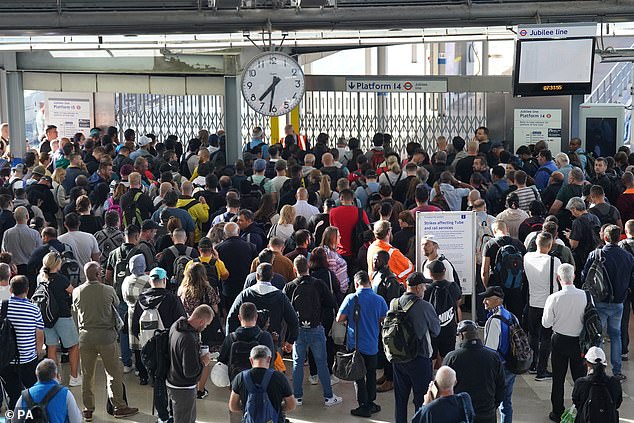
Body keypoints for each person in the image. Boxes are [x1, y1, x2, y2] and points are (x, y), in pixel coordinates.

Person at [72, 262, 138, 421]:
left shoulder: (77, 291)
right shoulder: (108, 290)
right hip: (106, 337)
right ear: (98, 274)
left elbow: (75, 312)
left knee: (88, 375)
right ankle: (119, 406)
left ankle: (88, 409)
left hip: (85, 337)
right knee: (113, 373)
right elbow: (116, 304)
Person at [283, 255, 342, 407]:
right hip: (316, 328)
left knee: (297, 363)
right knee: (322, 363)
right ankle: (329, 397)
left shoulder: (289, 287)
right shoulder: (319, 284)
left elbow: (284, 311)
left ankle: (297, 397)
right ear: (308, 266)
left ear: (294, 269)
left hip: (298, 330)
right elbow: (331, 302)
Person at [132, 266, 187, 423]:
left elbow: (135, 327)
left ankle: (162, 416)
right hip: (169, 346)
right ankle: (172, 413)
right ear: (164, 280)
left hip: (149, 348)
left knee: (157, 380)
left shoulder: (141, 300)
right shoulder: (171, 299)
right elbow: (182, 323)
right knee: (172, 380)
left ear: (150, 281)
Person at [582, 225, 634, 381]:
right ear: (620, 238)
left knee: (598, 335)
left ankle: (597, 368)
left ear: (605, 237)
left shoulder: (596, 254)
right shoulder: (628, 257)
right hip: (619, 302)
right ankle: (617, 371)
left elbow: (585, 275)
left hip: (600, 300)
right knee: (616, 335)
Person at [388, 272, 441, 423]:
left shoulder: (394, 303)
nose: (425, 289)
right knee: (421, 399)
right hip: (420, 358)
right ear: (418, 288)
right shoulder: (424, 306)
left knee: (400, 399)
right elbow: (436, 330)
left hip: (398, 357)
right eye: (424, 286)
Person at [336, 271, 388, 418]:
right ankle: (371, 403)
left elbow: (339, 318)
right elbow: (384, 319)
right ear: (369, 282)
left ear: (356, 283)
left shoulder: (351, 298)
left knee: (359, 377)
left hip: (356, 347)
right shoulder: (379, 300)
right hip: (372, 345)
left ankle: (363, 406)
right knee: (371, 375)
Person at [541, 263, 587, 422]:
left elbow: (546, 323)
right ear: (574, 276)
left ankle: (557, 412)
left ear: (558, 278)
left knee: (558, 379)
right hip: (579, 342)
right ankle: (581, 409)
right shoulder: (585, 295)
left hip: (559, 340)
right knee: (580, 379)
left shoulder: (553, 298)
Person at [444, 320, 506, 423]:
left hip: (461, 414)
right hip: (487, 414)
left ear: (461, 336)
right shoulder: (493, 356)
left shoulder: (452, 358)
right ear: (477, 335)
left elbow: (443, 388)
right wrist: (492, 406)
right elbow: (501, 386)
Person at [226, 263, 299, 351]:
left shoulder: (245, 294)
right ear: (272, 276)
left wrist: (230, 340)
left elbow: (231, 318)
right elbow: (293, 319)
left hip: (247, 342)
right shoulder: (280, 296)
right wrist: (290, 340)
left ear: (257, 275)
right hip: (273, 341)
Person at [178, 262, 221, 399]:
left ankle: (189, 385)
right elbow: (215, 310)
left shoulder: (182, 290)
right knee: (205, 359)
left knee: (189, 358)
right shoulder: (208, 290)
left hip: (187, 330)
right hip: (205, 331)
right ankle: (200, 390)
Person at [0, 276, 44, 409]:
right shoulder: (33, 309)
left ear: (10, 289)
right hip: (27, 359)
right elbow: (39, 334)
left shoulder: (2, 306)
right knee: (31, 392)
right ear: (27, 290)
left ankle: (14, 416)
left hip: (5, 360)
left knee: (13, 395)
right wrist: (37, 352)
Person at [38, 252, 81, 387]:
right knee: (73, 346)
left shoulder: (41, 278)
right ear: (57, 263)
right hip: (62, 316)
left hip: (47, 317)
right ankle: (74, 377)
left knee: (51, 347)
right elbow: (73, 292)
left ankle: (55, 378)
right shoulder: (61, 279)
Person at [166, 304, 214, 423]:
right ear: (201, 321)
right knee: (185, 419)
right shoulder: (188, 339)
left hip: (173, 379)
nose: (205, 327)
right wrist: (204, 361)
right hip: (183, 387)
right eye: (206, 325)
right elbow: (190, 372)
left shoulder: (176, 325)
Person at [524, 232, 560, 380]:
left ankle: (533, 364)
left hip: (533, 302)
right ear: (550, 245)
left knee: (533, 334)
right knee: (546, 337)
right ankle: (542, 370)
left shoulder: (527, 257)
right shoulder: (554, 261)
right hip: (549, 303)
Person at [229, 345, 296, 423]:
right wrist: (279, 408)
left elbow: (233, 406)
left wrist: (246, 408)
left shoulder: (241, 377)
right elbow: (291, 405)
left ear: (251, 360)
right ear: (269, 359)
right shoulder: (279, 377)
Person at [481, 286, 515, 423]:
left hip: (499, 368)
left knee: (491, 404)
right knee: (506, 402)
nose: (484, 301)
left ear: (497, 300)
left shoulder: (494, 321)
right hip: (511, 365)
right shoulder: (511, 316)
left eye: (487, 299)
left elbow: (490, 351)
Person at [481, 220, 527, 318]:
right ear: (507, 229)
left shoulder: (490, 245)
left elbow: (484, 271)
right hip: (514, 285)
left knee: (496, 316)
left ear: (494, 231)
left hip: (496, 285)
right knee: (515, 316)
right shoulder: (518, 244)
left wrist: (488, 287)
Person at [13, 359, 82, 423]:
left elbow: (15, 420)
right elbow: (76, 420)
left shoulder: (25, 396)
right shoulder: (65, 394)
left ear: (37, 375)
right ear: (55, 375)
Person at [423, 260, 461, 368]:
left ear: (430, 274)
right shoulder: (453, 287)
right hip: (449, 329)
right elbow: (458, 303)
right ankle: (447, 381)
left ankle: (429, 381)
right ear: (444, 271)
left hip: (432, 330)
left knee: (432, 357)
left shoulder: (427, 289)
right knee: (448, 357)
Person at [121, 254, 151, 385]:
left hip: (132, 314)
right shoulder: (148, 280)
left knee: (137, 347)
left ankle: (141, 374)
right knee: (149, 343)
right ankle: (150, 371)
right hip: (148, 316)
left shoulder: (126, 280)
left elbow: (123, 297)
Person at [572, 347, 623, 423]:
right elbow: (617, 403)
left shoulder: (580, 383)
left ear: (587, 363)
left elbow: (577, 402)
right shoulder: (614, 382)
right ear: (605, 363)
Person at [216, 222, 258, 312]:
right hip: (246, 287)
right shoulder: (250, 247)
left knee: (231, 312)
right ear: (238, 230)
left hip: (228, 288)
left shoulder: (218, 249)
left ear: (224, 234)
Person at [1, 206, 42, 284]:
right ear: (27, 216)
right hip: (30, 269)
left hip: (14, 269)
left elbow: (4, 251)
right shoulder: (35, 234)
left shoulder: (7, 233)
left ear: (14, 216)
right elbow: (39, 252)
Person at [565, 197, 601, 285]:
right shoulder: (595, 218)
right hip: (595, 254)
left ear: (574, 209)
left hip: (581, 257)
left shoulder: (577, 222)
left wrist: (569, 236)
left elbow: (574, 244)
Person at [366, 220, 414, 284]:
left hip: (374, 284)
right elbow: (409, 269)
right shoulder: (392, 252)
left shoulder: (371, 247)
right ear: (388, 232)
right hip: (390, 287)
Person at [58, 213, 100, 283]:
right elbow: (96, 261)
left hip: (68, 280)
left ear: (65, 224)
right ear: (79, 223)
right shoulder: (90, 237)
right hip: (87, 278)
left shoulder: (60, 240)